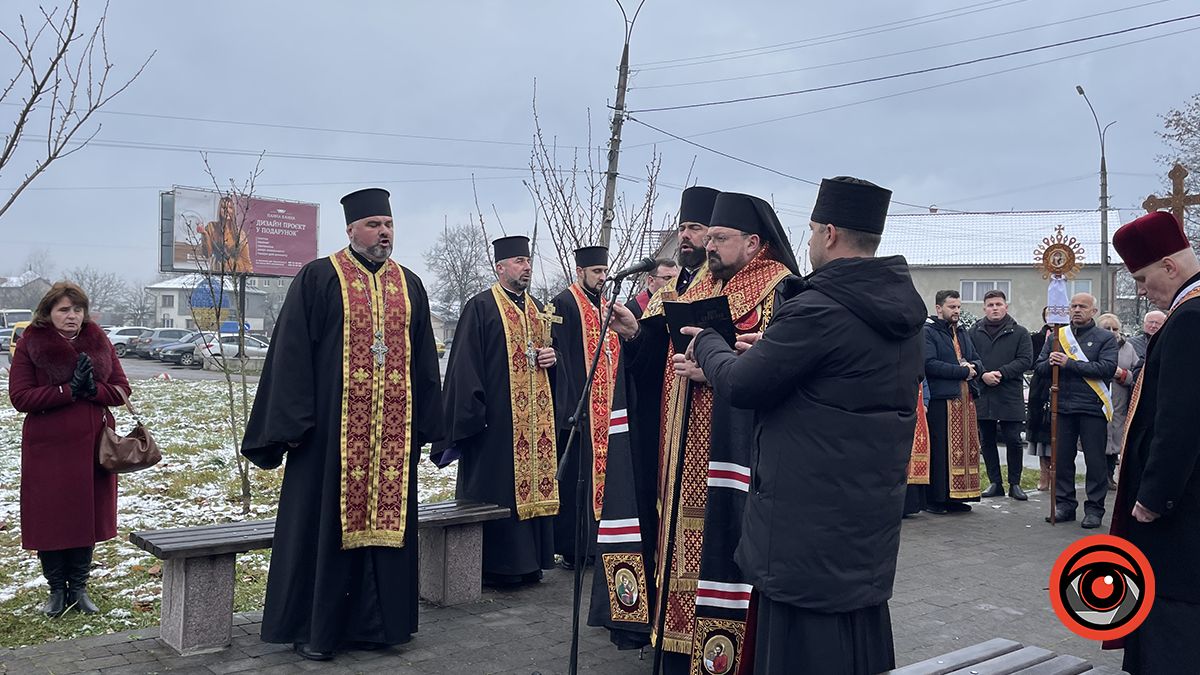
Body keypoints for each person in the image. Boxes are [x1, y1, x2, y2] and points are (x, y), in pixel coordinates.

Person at [688, 176, 926, 674]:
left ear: (830, 233)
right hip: (862, 522)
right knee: (855, 637)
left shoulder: (819, 307)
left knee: (803, 651)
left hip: (804, 532)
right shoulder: (899, 311)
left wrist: (709, 341)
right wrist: (773, 354)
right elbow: (842, 380)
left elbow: (742, 386)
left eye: (814, 230)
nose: (811, 240)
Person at [240, 188, 444, 660]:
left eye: (388, 224)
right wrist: (293, 426)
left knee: (388, 531)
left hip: (392, 439)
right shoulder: (318, 277)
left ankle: (382, 627)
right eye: (373, 224)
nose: (384, 232)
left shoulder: (410, 285)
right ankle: (317, 630)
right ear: (351, 229)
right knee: (322, 529)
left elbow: (424, 362)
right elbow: (291, 355)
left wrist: (428, 426)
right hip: (328, 439)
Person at [621, 190, 801, 675]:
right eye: (710, 238)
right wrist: (635, 334)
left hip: (737, 456)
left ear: (753, 243)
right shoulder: (700, 286)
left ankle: (724, 658)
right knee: (680, 545)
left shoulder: (781, 290)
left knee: (726, 549)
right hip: (680, 452)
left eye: (720, 238)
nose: (709, 246)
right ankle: (677, 653)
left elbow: (785, 372)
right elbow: (656, 357)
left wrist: (722, 369)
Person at [433, 235, 559, 586]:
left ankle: (531, 563)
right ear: (500, 267)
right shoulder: (481, 306)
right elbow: (464, 366)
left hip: (536, 423)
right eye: (519, 261)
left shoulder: (538, 309)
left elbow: (550, 357)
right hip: (496, 423)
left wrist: (554, 359)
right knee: (497, 488)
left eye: (528, 261)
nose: (526, 267)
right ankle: (496, 568)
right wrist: (474, 417)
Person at [1107, 211, 1200, 674]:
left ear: (1169, 265)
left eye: (1143, 279)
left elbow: (1181, 420)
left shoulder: (1189, 319)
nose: (1142, 291)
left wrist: (1153, 495)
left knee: (1170, 607)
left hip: (1181, 504)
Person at [9, 282, 131, 617]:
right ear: (48, 312)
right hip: (47, 448)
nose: (72, 315)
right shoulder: (31, 343)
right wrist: (67, 390)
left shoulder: (98, 340)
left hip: (93, 446)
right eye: (64, 309)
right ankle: (55, 590)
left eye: (77, 309)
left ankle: (78, 588)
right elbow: (20, 397)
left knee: (84, 517)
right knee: (50, 518)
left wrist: (93, 390)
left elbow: (122, 389)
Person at [551, 245, 623, 569]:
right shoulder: (564, 303)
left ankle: (598, 543)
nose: (602, 277)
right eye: (596, 271)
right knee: (578, 482)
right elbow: (561, 356)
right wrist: (570, 409)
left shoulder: (607, 306)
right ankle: (575, 548)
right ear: (580, 272)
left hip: (607, 411)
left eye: (605, 271)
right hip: (581, 413)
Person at [1034, 292, 1117, 529]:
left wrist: (1069, 364)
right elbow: (1038, 368)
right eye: (1074, 306)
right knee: (1061, 460)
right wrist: (1050, 362)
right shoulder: (1057, 337)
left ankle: (1094, 509)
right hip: (1062, 408)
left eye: (1083, 306)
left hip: (1092, 408)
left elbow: (1107, 368)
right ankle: (1065, 505)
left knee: (1095, 462)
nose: (1077, 310)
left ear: (1093, 311)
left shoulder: (1105, 338)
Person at [907, 290, 984, 515]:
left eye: (958, 307)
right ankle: (937, 499)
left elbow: (976, 358)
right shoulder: (928, 332)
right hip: (942, 400)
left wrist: (974, 368)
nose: (957, 311)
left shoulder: (962, 331)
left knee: (965, 450)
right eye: (952, 307)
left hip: (965, 399)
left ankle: (957, 497)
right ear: (939, 308)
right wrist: (962, 371)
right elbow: (929, 364)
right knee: (941, 451)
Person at [968, 290, 1033, 500]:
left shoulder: (1020, 332)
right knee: (987, 440)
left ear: (1006, 306)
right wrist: (983, 374)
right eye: (990, 305)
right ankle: (995, 483)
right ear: (984, 308)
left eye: (998, 304)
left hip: (1009, 393)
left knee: (1013, 439)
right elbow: (968, 357)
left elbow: (1025, 360)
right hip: (983, 392)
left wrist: (1002, 373)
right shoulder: (973, 332)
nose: (994, 308)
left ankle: (1015, 483)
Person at [1096, 313, 1137, 490]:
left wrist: (1123, 375)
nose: (1112, 332)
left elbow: (1137, 374)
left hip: (1119, 401)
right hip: (1098, 398)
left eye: (1115, 328)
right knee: (1099, 439)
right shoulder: (1094, 344)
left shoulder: (1128, 348)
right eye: (1107, 328)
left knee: (1116, 439)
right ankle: (1099, 476)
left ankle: (1109, 475)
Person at [1027, 306, 1057, 491]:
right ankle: (1044, 474)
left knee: (1057, 436)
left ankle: (1057, 475)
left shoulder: (1069, 338)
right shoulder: (1036, 338)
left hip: (1061, 388)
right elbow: (1032, 363)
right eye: (1048, 314)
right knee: (1041, 437)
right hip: (1040, 389)